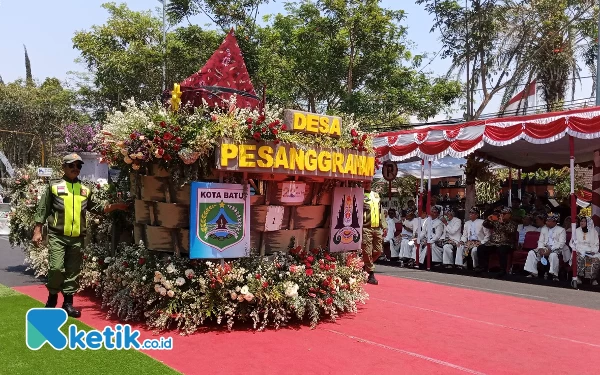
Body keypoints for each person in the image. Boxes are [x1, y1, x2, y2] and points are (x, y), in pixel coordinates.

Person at [32, 153, 128, 317]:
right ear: (64, 167)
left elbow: (97, 208)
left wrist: (116, 206)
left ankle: (68, 304)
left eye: (78, 166)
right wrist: (37, 230)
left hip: (77, 237)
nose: (75, 168)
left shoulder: (85, 189)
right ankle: (52, 299)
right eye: (72, 165)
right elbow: (43, 208)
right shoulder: (54, 186)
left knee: (72, 271)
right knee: (56, 268)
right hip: (57, 236)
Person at [523, 213, 570, 281]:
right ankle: (533, 272)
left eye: (549, 221)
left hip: (557, 248)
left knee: (553, 255)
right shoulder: (544, 229)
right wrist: (541, 248)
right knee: (531, 253)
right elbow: (540, 241)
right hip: (544, 248)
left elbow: (561, 243)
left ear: (554, 222)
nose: (546, 222)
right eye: (547, 220)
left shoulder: (561, 230)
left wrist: (550, 250)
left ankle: (554, 275)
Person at [477, 207, 517, 278]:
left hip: (506, 243)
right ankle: (483, 267)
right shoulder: (496, 221)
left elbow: (510, 232)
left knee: (501, 250)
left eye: (504, 214)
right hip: (493, 243)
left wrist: (503, 224)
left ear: (509, 215)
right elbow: (486, 225)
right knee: (481, 248)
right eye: (501, 213)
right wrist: (488, 219)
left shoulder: (513, 223)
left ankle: (502, 270)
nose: (502, 215)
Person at [569, 216, 600, 287]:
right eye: (581, 221)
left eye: (584, 221)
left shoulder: (594, 232)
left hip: (590, 250)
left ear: (588, 223)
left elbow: (596, 243)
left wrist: (593, 251)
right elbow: (572, 243)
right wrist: (577, 250)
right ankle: (579, 277)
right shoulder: (576, 231)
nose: (582, 223)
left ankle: (592, 278)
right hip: (579, 249)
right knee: (580, 257)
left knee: (595, 259)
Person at [361, 183, 382, 285]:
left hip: (377, 227)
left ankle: (364, 267)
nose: (367, 183)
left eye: (369, 181)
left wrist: (384, 225)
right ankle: (371, 274)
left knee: (378, 251)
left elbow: (380, 211)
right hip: (366, 227)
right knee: (367, 251)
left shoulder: (376, 195)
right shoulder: (360, 194)